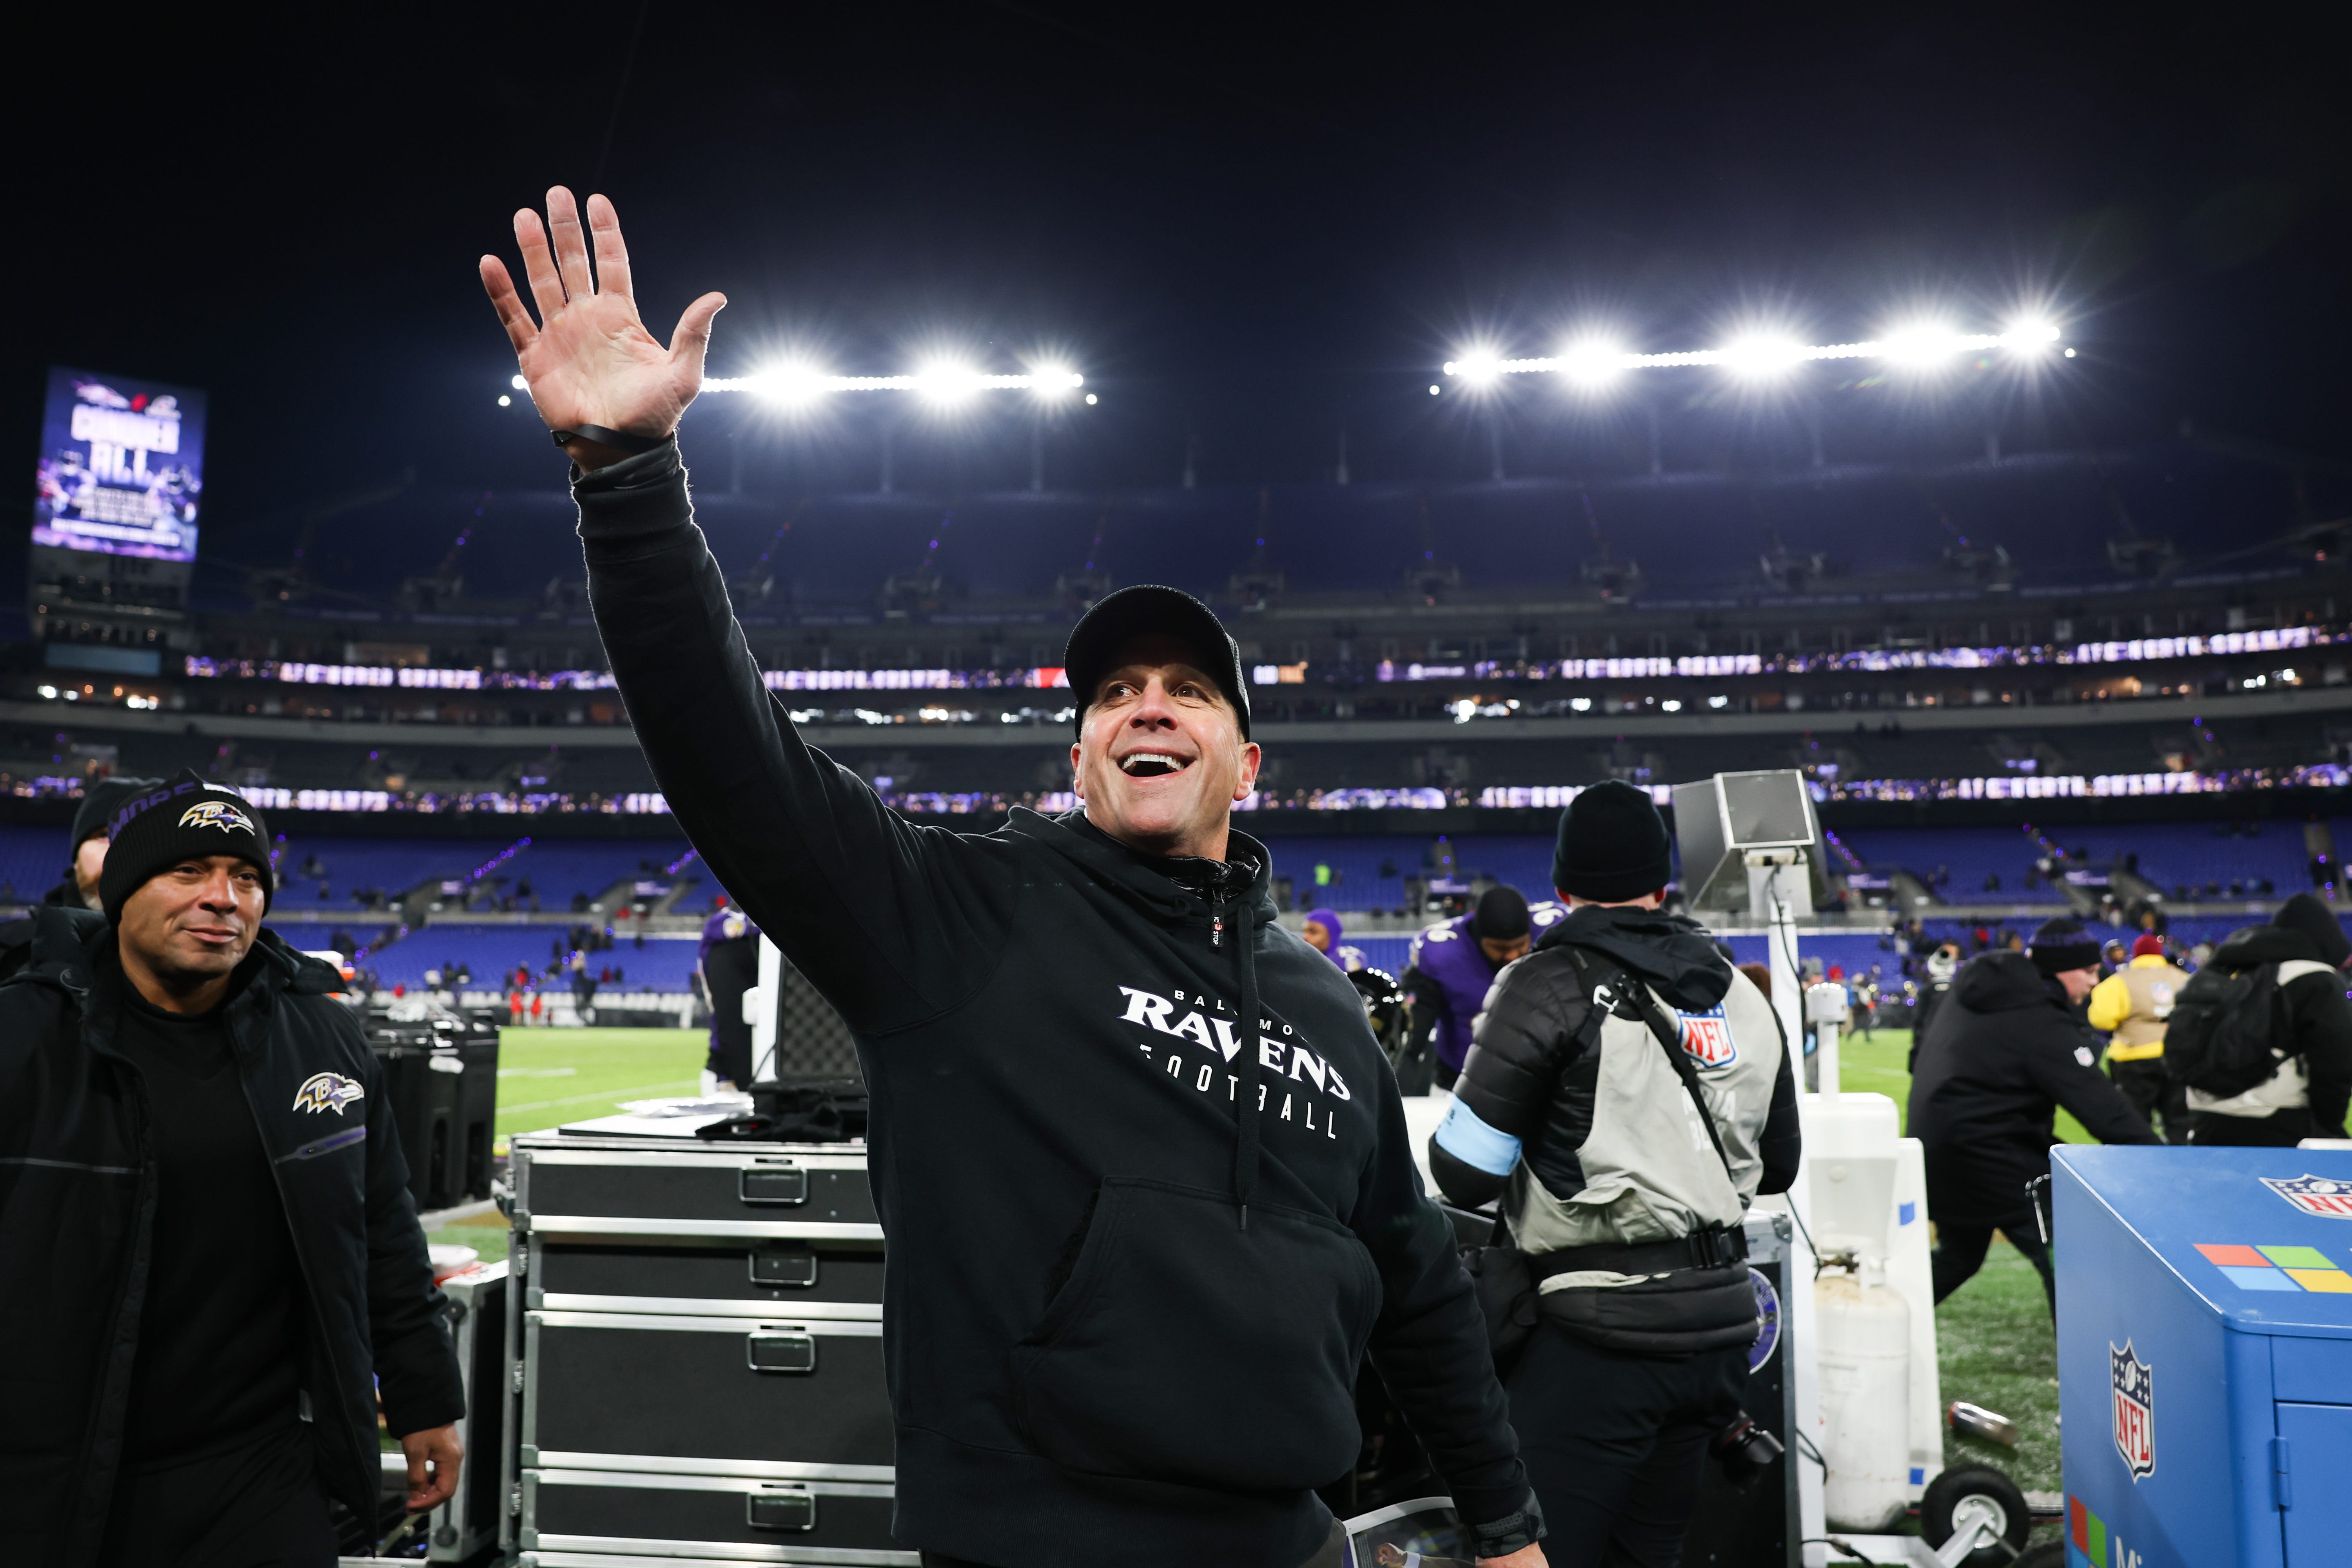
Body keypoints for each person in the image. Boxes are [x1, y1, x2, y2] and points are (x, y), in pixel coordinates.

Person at [481, 187, 1545, 1568]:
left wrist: (1508, 1523)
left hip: (1286, 1537)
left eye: (1185, 693)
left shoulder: (1324, 1004)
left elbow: (1415, 1290)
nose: (1148, 707)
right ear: (1082, 754)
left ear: (1247, 761)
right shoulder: (963, 917)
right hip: (1037, 1538)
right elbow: (730, 758)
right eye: (1115, 693)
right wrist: (627, 478)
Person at [0, 771, 463, 1564]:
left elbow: (381, 1231)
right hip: (51, 1460)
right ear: (120, 890)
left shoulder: (324, 1040)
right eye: (190, 871)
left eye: (246, 877)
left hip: (256, 1464)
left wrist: (424, 1394)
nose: (225, 897)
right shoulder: (20, 1032)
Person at [1427, 782, 1801, 1568]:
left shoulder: (1547, 978)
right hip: (1720, 1332)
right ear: (1663, 884)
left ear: (1562, 888)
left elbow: (1462, 1171)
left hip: (1599, 1335)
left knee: (1538, 1553)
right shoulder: (1743, 988)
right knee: (1647, 1554)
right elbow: (1781, 1167)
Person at [1907, 917, 2160, 1310]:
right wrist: (2162, 1159)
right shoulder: (2036, 1015)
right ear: (2061, 970)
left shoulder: (1974, 992)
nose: (2096, 981)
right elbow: (2101, 1107)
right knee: (2073, 1256)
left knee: (1959, 1258)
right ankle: (2084, 1360)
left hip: (1941, 1152)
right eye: (2089, 971)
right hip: (1993, 1154)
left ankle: (1872, 1322)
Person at [2184, 893, 2352, 1147]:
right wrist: (2329, 1126)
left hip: (2204, 1118)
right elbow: (2335, 1061)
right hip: (2279, 1120)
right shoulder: (2315, 978)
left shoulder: (2226, 970)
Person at [1403, 884, 1556, 1091]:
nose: (1512, 956)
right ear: (1478, 938)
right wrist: (1406, 1068)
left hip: (1541, 1082)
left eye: (1521, 945)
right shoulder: (1444, 954)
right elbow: (1418, 1027)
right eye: (1500, 948)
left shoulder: (1553, 934)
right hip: (1460, 1082)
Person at [2088, 933, 2192, 1144]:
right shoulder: (2182, 978)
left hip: (2133, 1058)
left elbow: (2102, 1020)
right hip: (2176, 1058)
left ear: (2135, 954)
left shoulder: (2120, 981)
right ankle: (2183, 1170)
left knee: (2135, 1125)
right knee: (2180, 1123)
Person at [42, 774, 158, 910]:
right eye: (104, 836)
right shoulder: (24, 932)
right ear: (77, 860)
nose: (120, 856)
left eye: (145, 840)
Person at [698, 902, 761, 1090]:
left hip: (728, 1050)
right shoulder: (720, 927)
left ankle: (725, 1077)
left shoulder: (716, 928)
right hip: (736, 1053)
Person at [1909, 941, 1961, 1070]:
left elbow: (1918, 1020)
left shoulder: (1927, 991)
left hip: (1931, 1042)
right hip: (1955, 1043)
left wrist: (1916, 1044)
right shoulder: (1958, 989)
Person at [1300, 906, 1366, 972]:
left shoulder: (1345, 959)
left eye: (1314, 932)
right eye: (1305, 932)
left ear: (1332, 935)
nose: (1305, 937)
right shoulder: (1302, 960)